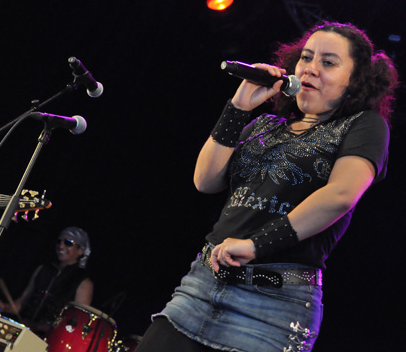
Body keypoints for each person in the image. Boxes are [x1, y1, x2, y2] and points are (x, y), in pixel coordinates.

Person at [136, 21, 399, 352]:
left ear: (356, 80)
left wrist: (255, 245)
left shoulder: (364, 126)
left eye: (328, 62)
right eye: (306, 58)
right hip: (201, 287)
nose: (311, 69)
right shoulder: (264, 126)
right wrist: (238, 108)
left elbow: (341, 195)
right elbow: (205, 180)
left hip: (274, 306)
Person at [0, 226, 94, 334]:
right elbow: (21, 303)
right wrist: (4, 307)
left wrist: (40, 326)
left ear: (80, 250)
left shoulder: (84, 283)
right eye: (59, 241)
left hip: (48, 340)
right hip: (23, 331)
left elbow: (76, 323)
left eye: (68, 243)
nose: (61, 246)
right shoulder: (43, 269)